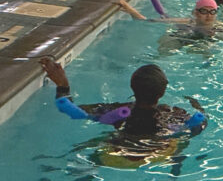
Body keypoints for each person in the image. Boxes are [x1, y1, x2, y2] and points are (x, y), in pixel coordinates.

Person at [39, 57, 206, 140]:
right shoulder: (173, 113)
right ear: (162, 92)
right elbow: (199, 125)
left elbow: (71, 109)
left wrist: (62, 85)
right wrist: (198, 107)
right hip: (159, 151)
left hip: (119, 149)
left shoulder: (117, 111)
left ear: (132, 86)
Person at [116, 0, 223, 39]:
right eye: (204, 11)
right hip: (187, 38)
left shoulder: (221, 27)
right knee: (167, 39)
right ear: (196, 13)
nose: (209, 15)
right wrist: (130, 10)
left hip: (207, 41)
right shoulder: (186, 22)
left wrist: (217, 35)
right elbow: (150, 21)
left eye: (212, 11)